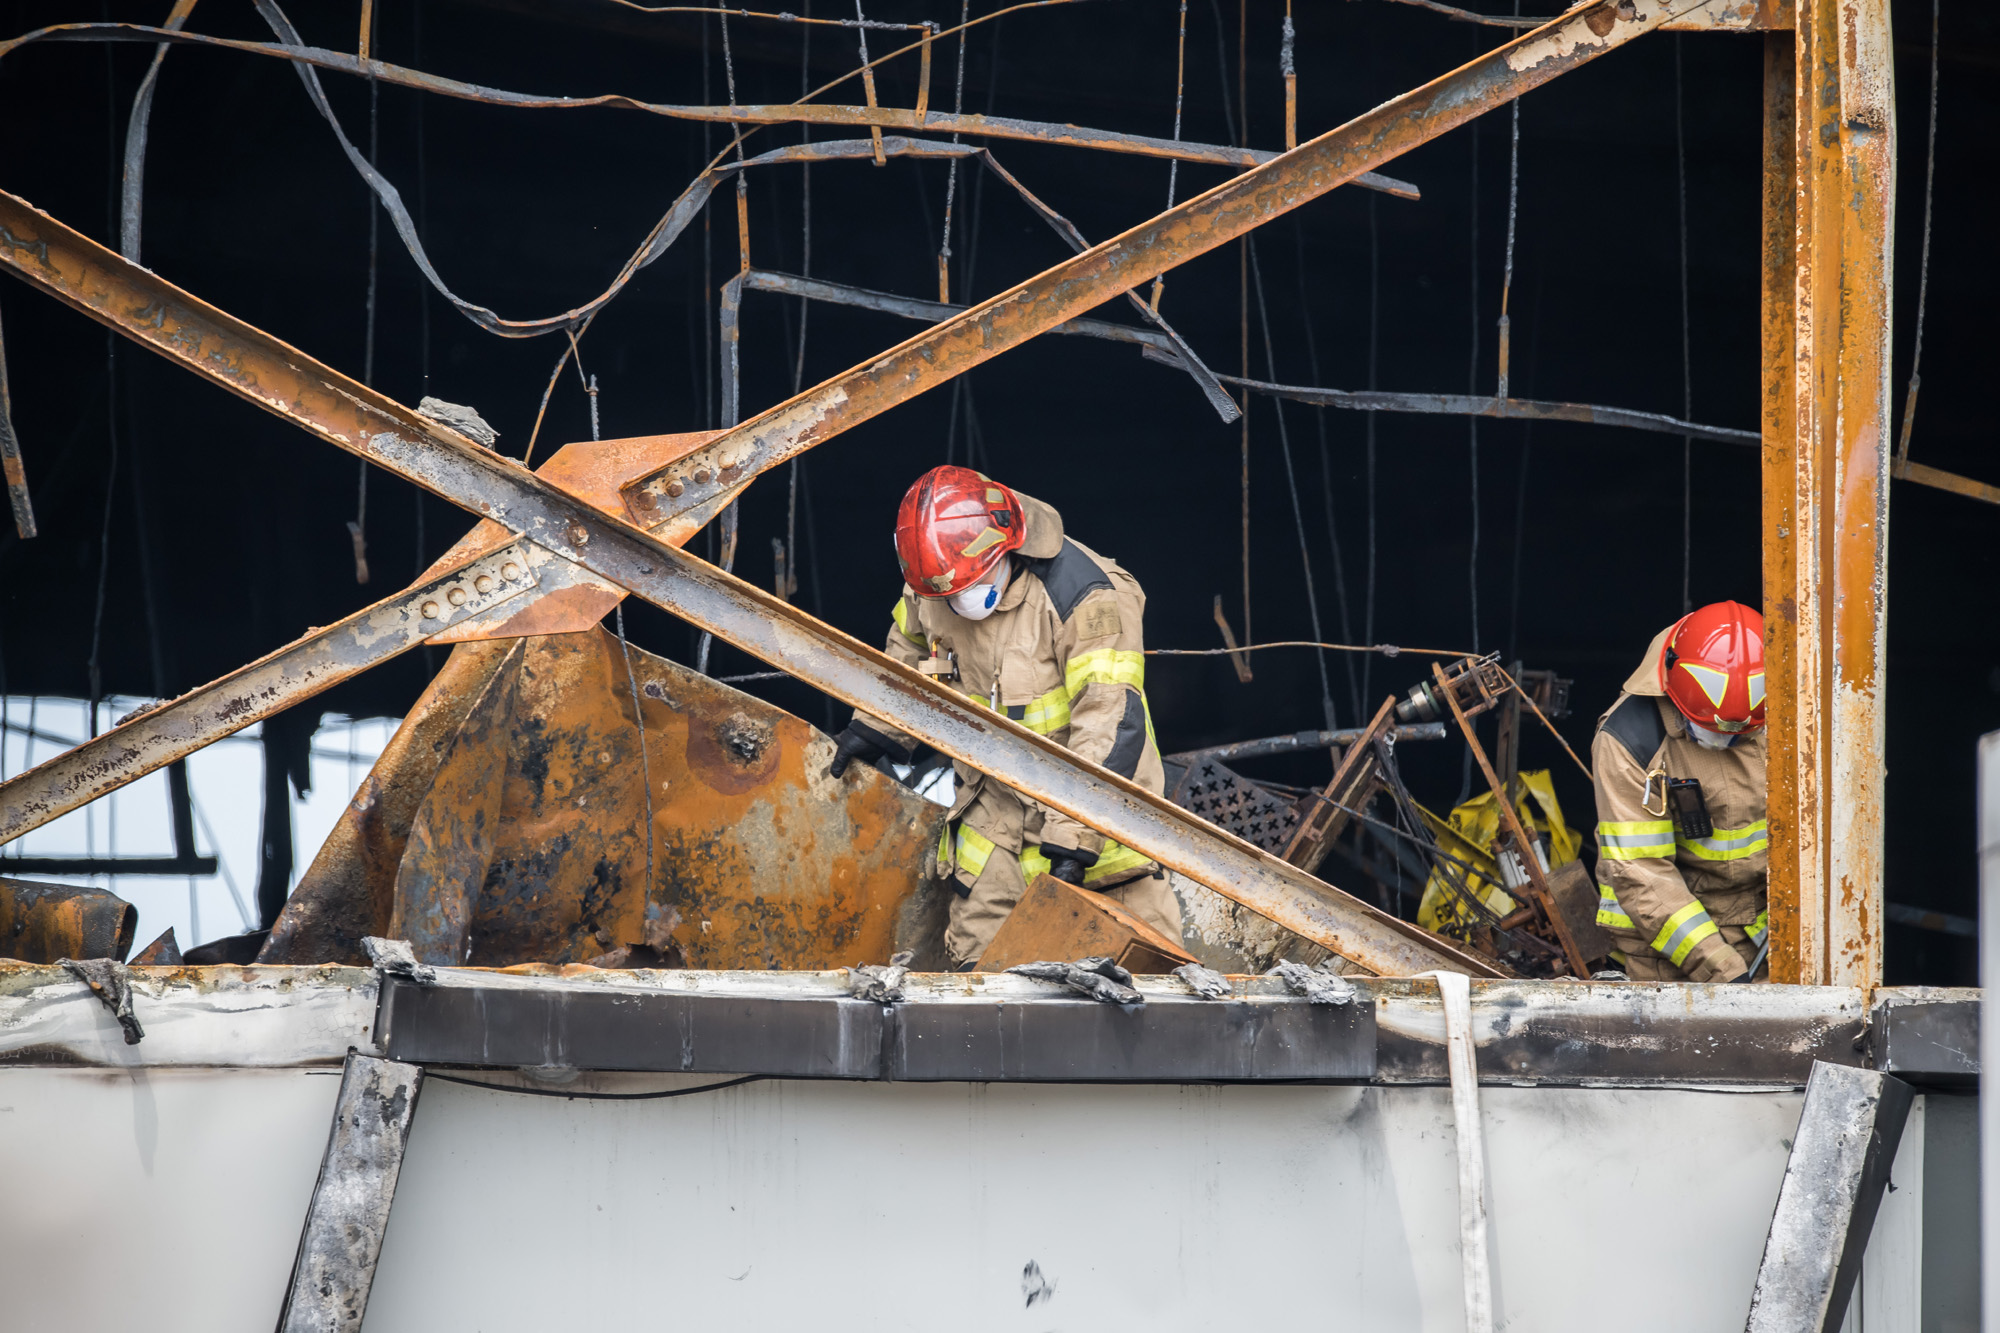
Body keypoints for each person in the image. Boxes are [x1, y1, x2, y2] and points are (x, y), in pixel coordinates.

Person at [826, 465, 1182, 968]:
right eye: (945, 595)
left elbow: (1108, 720)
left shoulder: (1088, 597)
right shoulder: (935, 580)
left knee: (1134, 987)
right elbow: (907, 646)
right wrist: (876, 725)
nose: (957, 602)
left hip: (1095, 832)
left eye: (967, 587)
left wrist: (1075, 836)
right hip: (992, 819)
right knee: (981, 988)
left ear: (1006, 547)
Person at [1591, 601, 1770, 982]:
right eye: (1708, 731)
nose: (1723, 743)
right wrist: (1721, 968)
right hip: (1664, 950)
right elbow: (1642, 872)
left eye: (1739, 735)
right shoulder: (1629, 740)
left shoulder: (1794, 713)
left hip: (1765, 936)